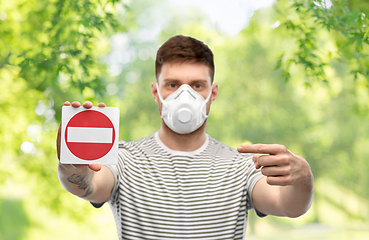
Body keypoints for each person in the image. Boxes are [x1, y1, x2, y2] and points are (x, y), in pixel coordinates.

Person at [57, 35, 314, 240]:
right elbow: (88, 185)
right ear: (156, 92)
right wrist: (72, 163)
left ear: (212, 93)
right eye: (172, 85)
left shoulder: (241, 165)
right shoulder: (124, 159)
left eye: (197, 85)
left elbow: (289, 206)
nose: (185, 95)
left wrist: (303, 178)